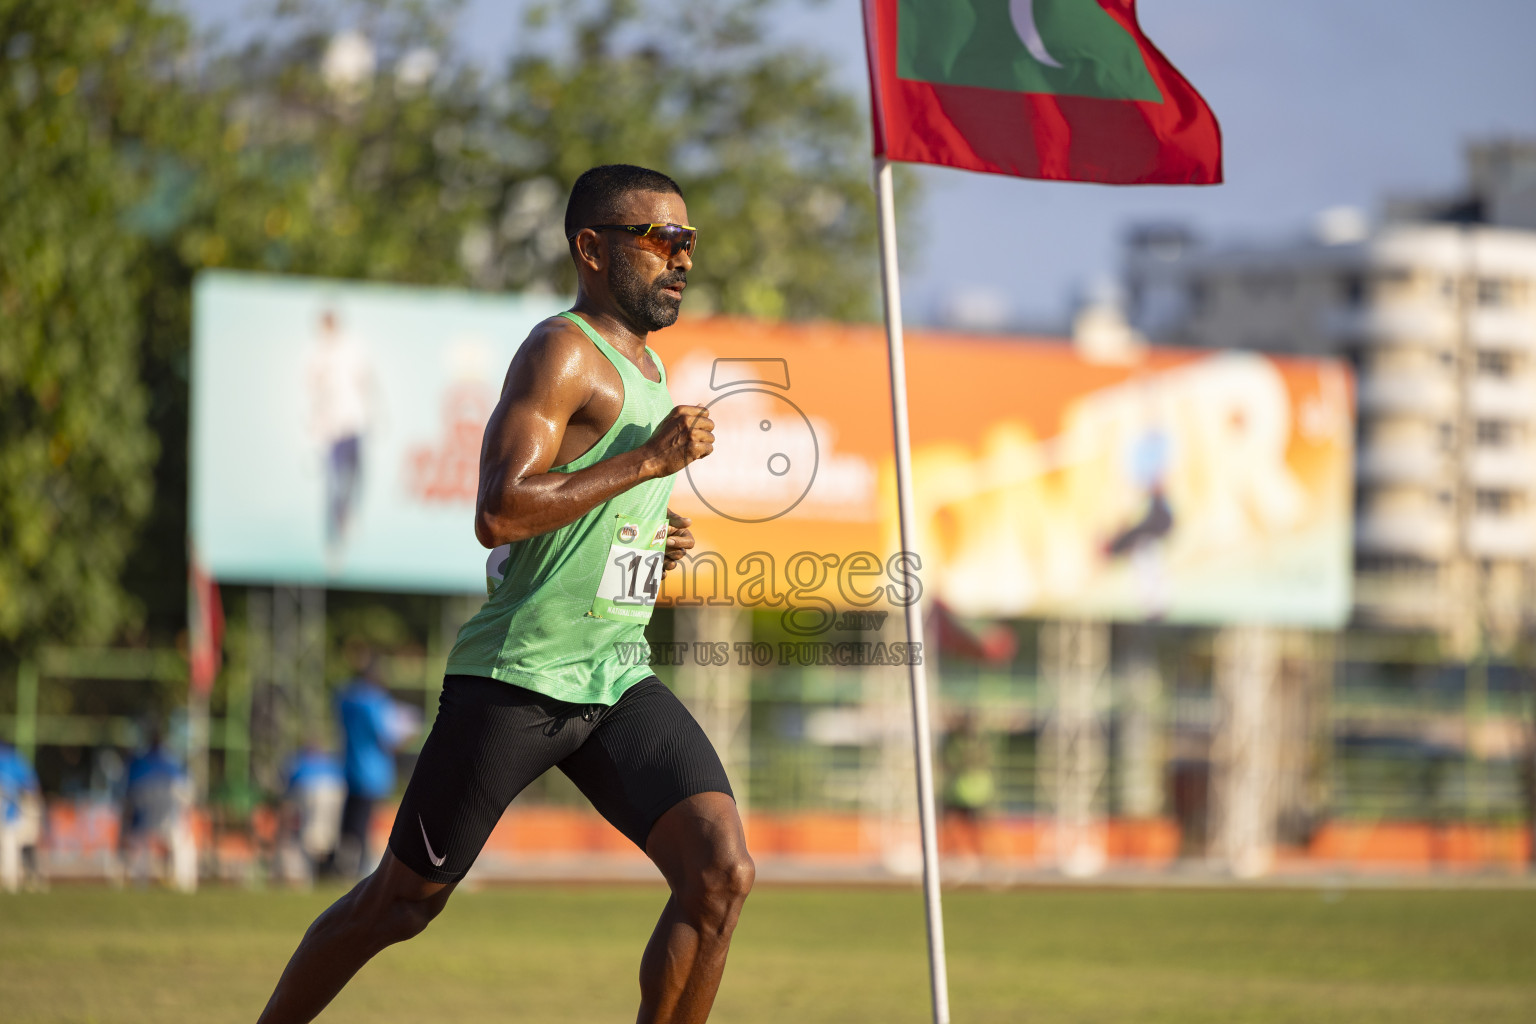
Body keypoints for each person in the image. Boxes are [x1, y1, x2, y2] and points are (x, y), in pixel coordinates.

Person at [257, 164, 750, 1024]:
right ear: (590, 250)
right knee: (401, 903)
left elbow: (582, 508)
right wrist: (648, 464)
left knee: (719, 872)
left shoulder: (651, 369)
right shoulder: (562, 352)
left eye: (688, 242)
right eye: (659, 239)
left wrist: (645, 534)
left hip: (615, 679)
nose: (680, 260)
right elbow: (498, 509)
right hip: (519, 679)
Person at [333, 665, 418, 877]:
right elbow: (387, 740)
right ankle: (361, 870)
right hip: (373, 772)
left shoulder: (346, 699)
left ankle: (340, 867)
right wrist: (408, 736)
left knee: (349, 823)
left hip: (350, 769)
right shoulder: (376, 704)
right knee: (364, 825)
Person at [119, 729, 197, 892]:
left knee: (135, 837)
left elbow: (127, 799)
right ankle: (185, 883)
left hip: (143, 823)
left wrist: (126, 828)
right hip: (169, 823)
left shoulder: (138, 765)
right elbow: (187, 798)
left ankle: (138, 881)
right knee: (184, 840)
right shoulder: (173, 766)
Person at [278, 742, 347, 885]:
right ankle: (330, 870)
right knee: (330, 835)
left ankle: (309, 874)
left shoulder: (299, 762)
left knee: (309, 834)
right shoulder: (331, 763)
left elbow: (289, 794)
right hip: (335, 792)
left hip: (311, 792)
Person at [0, 740, 43, 893]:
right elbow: (31, 786)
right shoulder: (16, 760)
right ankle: (12, 880)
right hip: (11, 813)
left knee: (12, 844)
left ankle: (13, 880)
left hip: (10, 813)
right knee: (10, 845)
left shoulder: (14, 761)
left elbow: (30, 786)